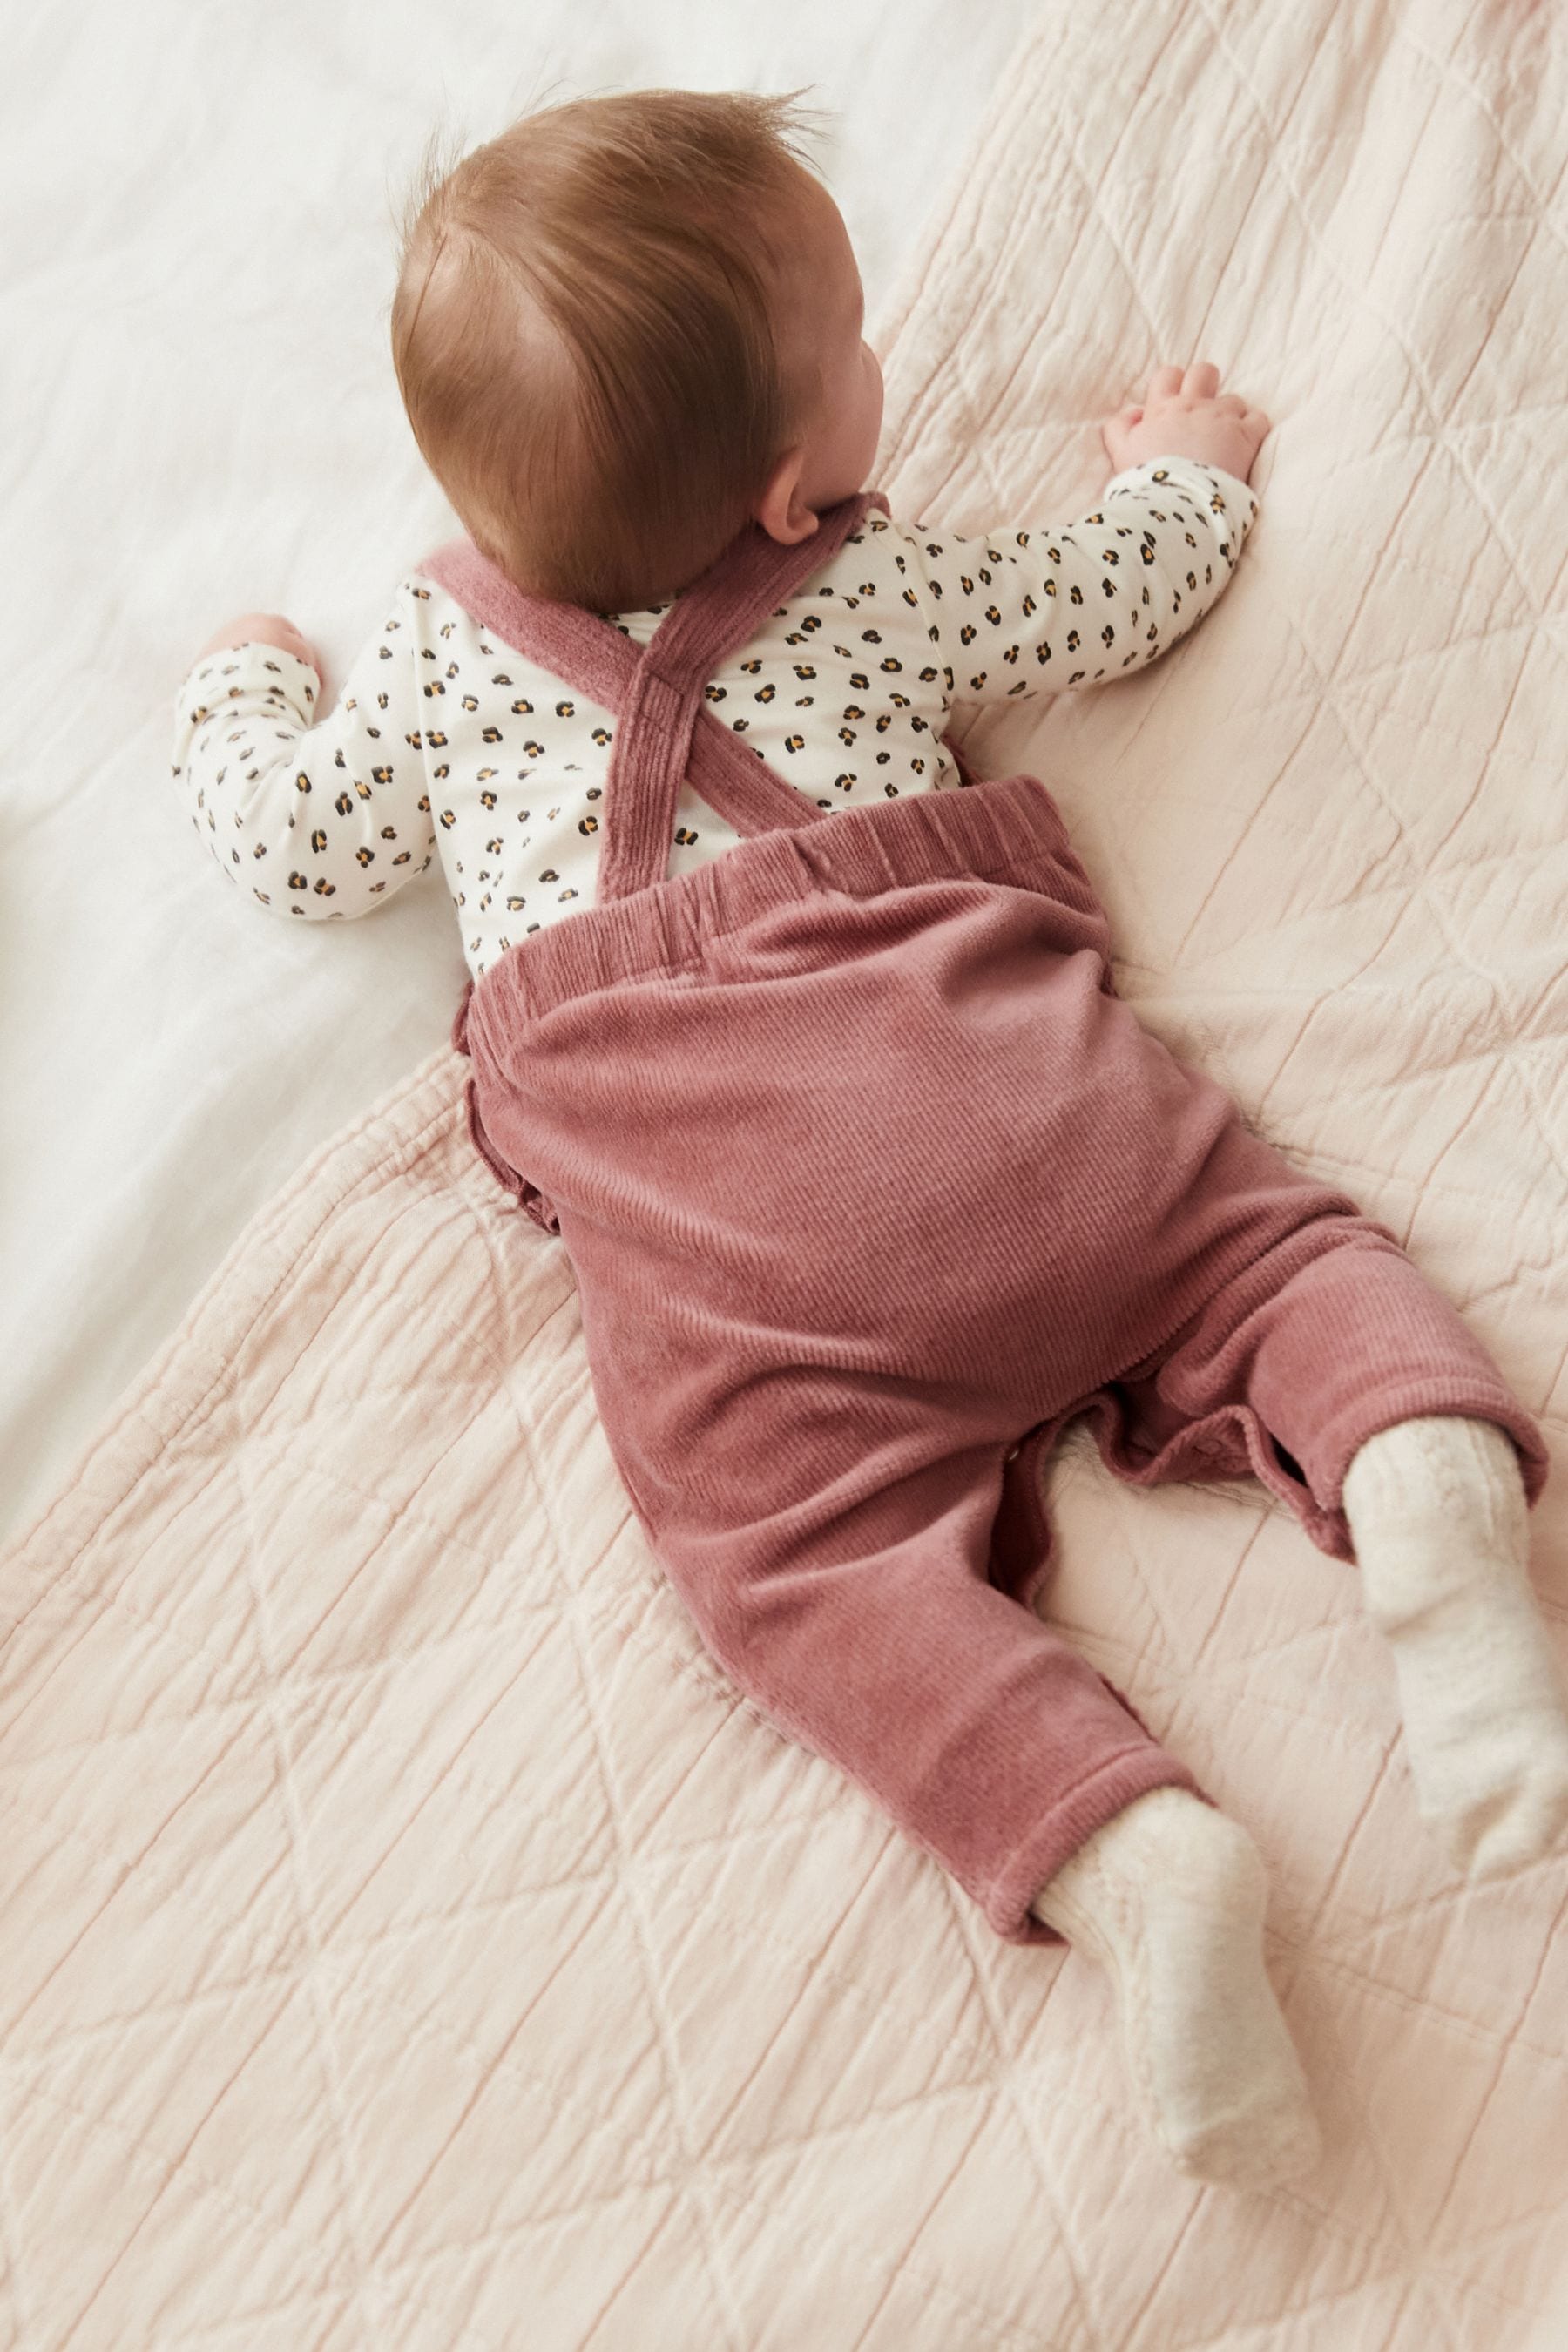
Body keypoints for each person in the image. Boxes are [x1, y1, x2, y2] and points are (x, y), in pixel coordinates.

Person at [170, 88, 1568, 2189]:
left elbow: (295, 850)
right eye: (855, 333)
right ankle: (1419, 1484)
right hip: (1023, 1111)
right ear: (794, 474)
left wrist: (239, 693)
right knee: (1274, 1260)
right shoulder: (875, 575)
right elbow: (1109, 598)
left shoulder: (440, 668)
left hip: (746, 1265)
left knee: (802, 1571)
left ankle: (1129, 1850)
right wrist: (1186, 479)